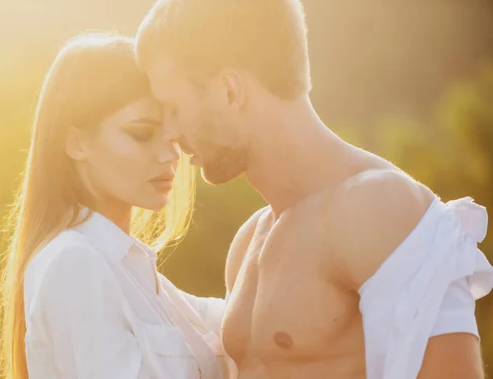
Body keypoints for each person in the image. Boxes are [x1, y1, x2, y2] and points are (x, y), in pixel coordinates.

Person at [135, 0, 493, 378]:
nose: (170, 133)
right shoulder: (247, 244)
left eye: (172, 107)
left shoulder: (381, 208)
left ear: (229, 91)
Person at [0, 33, 230, 379]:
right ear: (76, 143)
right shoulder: (74, 263)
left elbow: (251, 321)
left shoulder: (136, 273)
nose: (169, 156)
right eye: (141, 133)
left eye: (173, 138)